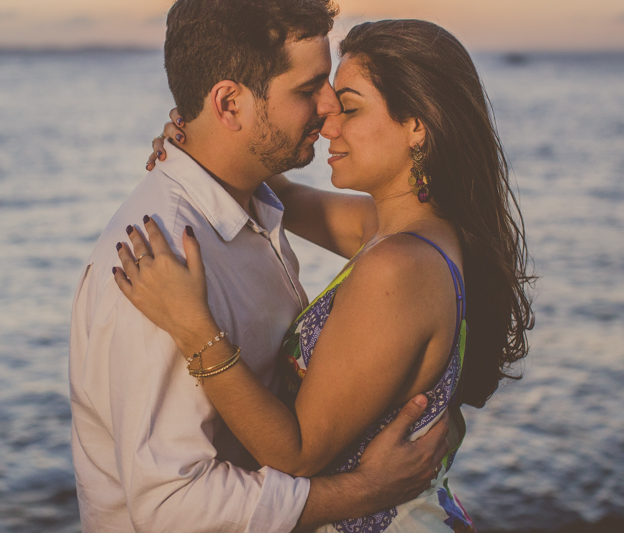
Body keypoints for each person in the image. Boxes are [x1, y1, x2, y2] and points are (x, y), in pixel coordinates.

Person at [115, 18, 534, 533]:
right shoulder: (400, 230)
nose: (328, 125)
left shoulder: (400, 267)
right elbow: (284, 197)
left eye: (350, 109)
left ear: (417, 126)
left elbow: (297, 452)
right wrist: (202, 132)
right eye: (329, 104)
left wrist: (192, 326)